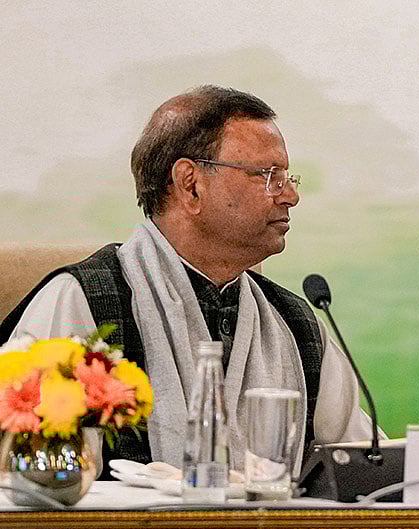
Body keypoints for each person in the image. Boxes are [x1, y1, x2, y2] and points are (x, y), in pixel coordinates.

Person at [0, 85, 376, 477]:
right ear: (190, 184)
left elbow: (365, 467)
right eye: (267, 176)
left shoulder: (296, 325)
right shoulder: (82, 302)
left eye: (287, 176)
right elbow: (26, 475)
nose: (290, 195)